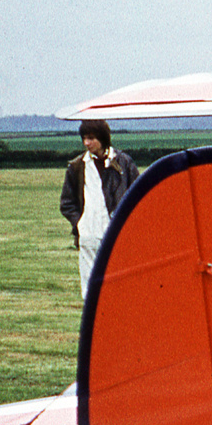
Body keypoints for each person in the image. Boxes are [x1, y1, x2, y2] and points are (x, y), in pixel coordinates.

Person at [60, 119, 137, 298]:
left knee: (121, 285)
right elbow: (66, 203)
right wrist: (81, 225)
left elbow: (136, 195)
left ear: (102, 138)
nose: (86, 143)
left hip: (119, 234)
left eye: (91, 138)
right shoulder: (76, 166)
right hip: (89, 236)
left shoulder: (124, 163)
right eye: (84, 138)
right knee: (90, 289)